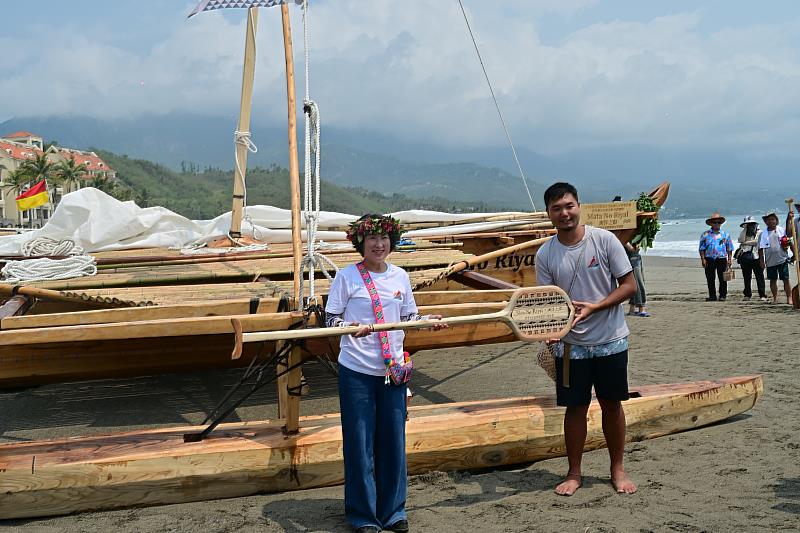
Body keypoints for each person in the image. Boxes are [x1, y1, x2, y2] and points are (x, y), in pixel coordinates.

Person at [325, 214, 447, 533]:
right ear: (360, 244)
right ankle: (363, 515)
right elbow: (330, 318)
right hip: (357, 372)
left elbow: (408, 315)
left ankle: (394, 511)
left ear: (392, 241)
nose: (379, 245)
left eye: (384, 239)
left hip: (393, 372)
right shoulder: (347, 277)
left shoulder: (400, 277)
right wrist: (348, 328)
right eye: (371, 240)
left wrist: (426, 320)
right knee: (359, 442)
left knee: (393, 442)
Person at [535, 182, 638, 497]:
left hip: (610, 340)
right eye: (557, 208)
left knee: (611, 404)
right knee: (575, 408)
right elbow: (549, 303)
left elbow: (629, 286)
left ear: (579, 206)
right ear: (549, 214)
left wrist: (596, 306)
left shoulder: (604, 240)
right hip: (571, 347)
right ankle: (574, 472)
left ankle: (617, 469)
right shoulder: (545, 254)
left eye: (569, 206)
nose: (564, 213)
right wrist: (552, 331)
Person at [759, 211, 793, 305]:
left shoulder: (781, 230)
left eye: (773, 219)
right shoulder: (763, 234)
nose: (771, 221)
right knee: (773, 280)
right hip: (770, 261)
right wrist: (762, 261)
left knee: (786, 279)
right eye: (769, 220)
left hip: (782, 259)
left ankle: (789, 298)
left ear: (776, 221)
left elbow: (789, 239)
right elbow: (760, 249)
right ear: (766, 222)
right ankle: (775, 298)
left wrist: (789, 219)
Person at [698, 213, 734, 301]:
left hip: (721, 258)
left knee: (723, 278)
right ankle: (712, 296)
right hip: (709, 258)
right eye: (714, 222)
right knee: (710, 278)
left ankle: (723, 295)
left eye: (718, 222)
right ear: (711, 223)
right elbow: (701, 248)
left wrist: (729, 259)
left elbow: (729, 248)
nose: (716, 224)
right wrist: (703, 259)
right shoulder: (705, 235)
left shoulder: (725, 234)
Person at [736, 216, 767, 302]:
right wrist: (744, 230)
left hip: (756, 256)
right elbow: (740, 240)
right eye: (748, 224)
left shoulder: (760, 232)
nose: (750, 226)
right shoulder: (743, 232)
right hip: (745, 257)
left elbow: (756, 241)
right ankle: (747, 294)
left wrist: (745, 242)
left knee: (759, 277)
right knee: (746, 277)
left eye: (751, 224)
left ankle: (762, 295)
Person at [625, 242, 649, 316]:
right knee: (638, 281)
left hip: (632, 254)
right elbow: (620, 235)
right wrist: (628, 245)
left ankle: (632, 308)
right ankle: (641, 307)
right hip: (631, 254)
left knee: (635, 280)